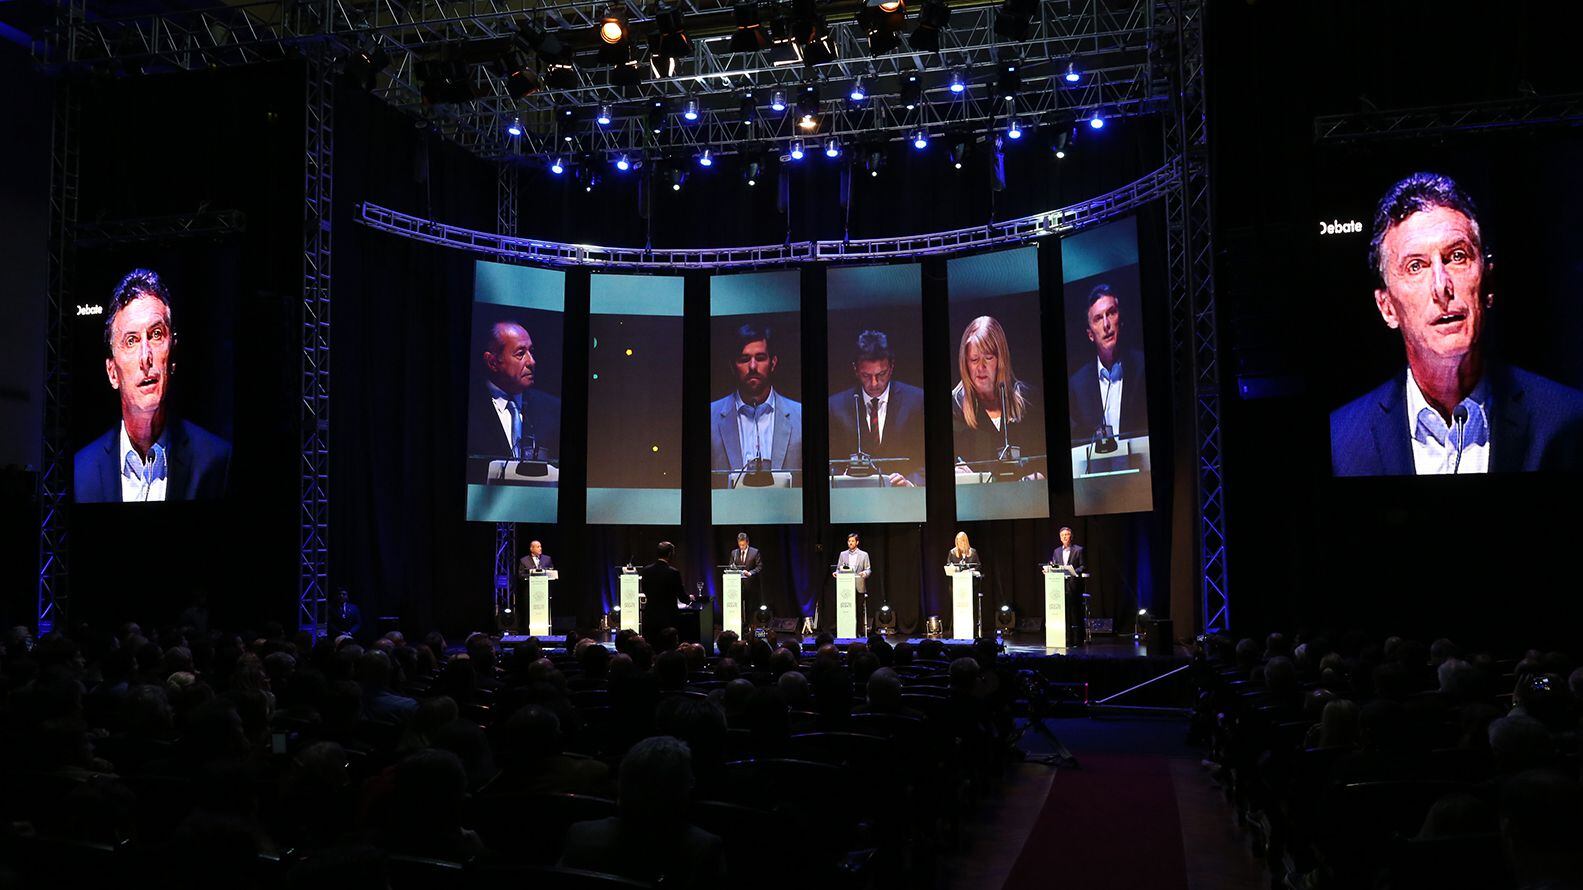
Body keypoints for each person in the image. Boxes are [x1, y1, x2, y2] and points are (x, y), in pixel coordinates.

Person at [1331, 172, 1583, 475]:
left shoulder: (1566, 421)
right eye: (1416, 266)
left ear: (1487, 284)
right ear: (1387, 308)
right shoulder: (1341, 442)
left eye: (1457, 256)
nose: (1441, 286)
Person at [74, 269, 232, 503]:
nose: (145, 357)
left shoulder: (216, 461)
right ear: (112, 373)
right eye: (131, 340)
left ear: (173, 356)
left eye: (156, 334)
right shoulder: (80, 472)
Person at [558, 735, 725, 886]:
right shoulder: (703, 851)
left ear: (622, 786)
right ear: (682, 792)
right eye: (690, 782)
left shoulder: (580, 835)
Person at [950, 316, 1045, 479]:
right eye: (974, 359)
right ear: (965, 362)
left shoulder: (1029, 400)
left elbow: (1045, 464)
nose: (981, 367)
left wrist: (1040, 475)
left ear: (1001, 359)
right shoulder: (953, 409)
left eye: (988, 358)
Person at [828, 329, 926, 485]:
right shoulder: (835, 407)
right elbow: (830, 464)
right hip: (854, 500)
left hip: (904, 501)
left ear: (891, 367)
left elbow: (929, 459)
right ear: (855, 369)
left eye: (881, 374)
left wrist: (911, 484)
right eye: (866, 376)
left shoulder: (917, 402)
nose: (874, 383)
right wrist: (843, 477)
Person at [710, 323, 803, 486]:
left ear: (773, 363)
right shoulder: (710, 417)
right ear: (733, 366)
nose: (752, 367)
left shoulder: (800, 416)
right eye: (744, 359)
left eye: (760, 358)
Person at [467, 319, 561, 464]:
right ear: (492, 362)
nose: (532, 362)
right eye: (521, 353)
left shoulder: (553, 410)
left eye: (531, 351)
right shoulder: (471, 408)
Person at [1067, 283, 1149, 444]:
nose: (1106, 325)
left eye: (1111, 313)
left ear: (1121, 319)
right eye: (1098, 318)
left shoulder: (1142, 367)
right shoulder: (1077, 385)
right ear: (1090, 334)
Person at [639, 541, 684, 637]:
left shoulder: (646, 571)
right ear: (670, 554)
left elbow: (645, 589)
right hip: (668, 620)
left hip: (650, 617)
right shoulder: (673, 572)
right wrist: (689, 598)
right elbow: (682, 597)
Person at [727, 532, 764, 611]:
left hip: (750, 585)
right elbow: (730, 566)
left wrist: (750, 573)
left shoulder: (755, 552)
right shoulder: (734, 553)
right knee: (738, 607)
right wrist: (733, 569)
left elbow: (759, 566)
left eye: (743, 545)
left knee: (750, 608)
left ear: (747, 542)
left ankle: (749, 623)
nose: (741, 547)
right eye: (740, 545)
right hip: (737, 585)